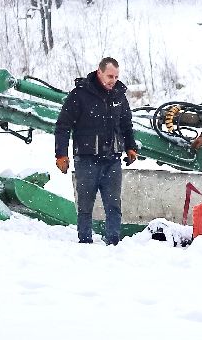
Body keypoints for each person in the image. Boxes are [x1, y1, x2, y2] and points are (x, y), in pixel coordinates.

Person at [54, 56, 139, 245]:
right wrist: (61, 154)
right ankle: (85, 242)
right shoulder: (80, 95)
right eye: (110, 76)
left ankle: (113, 243)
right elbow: (63, 126)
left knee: (113, 206)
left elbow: (126, 125)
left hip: (112, 160)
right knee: (85, 206)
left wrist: (131, 147)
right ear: (99, 72)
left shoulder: (119, 96)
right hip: (86, 160)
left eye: (116, 77)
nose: (113, 81)